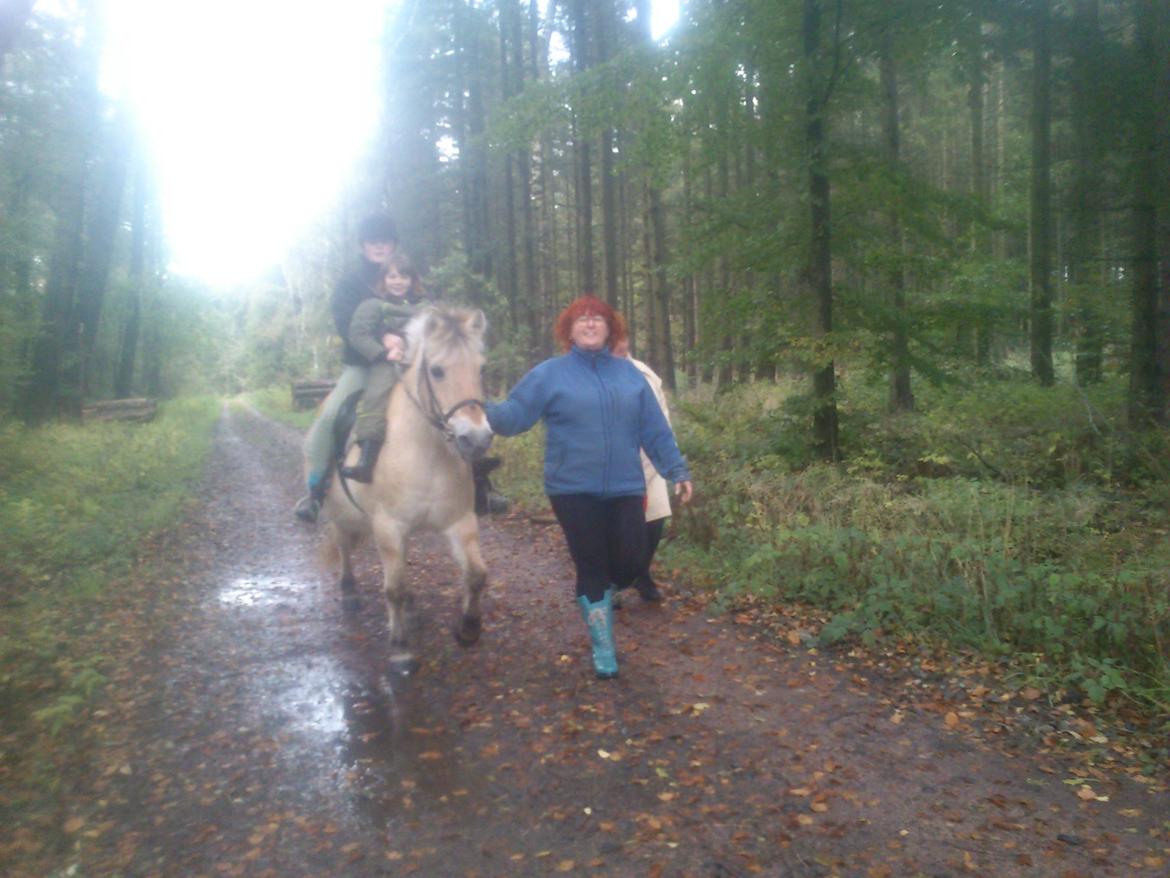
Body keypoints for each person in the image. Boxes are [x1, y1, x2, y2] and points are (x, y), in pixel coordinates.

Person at [484, 296, 694, 680]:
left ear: (609, 328)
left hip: (626, 484)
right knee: (591, 563)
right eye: (582, 320)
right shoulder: (550, 374)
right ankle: (604, 647)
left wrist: (677, 469)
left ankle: (601, 593)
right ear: (569, 331)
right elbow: (515, 415)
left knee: (632, 560)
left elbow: (654, 429)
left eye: (597, 319)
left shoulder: (629, 375)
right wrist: (480, 409)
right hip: (572, 488)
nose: (591, 324)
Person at [295, 212, 399, 522]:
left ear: (394, 244)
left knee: (453, 406)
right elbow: (345, 325)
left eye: (385, 241)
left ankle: (477, 486)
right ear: (363, 246)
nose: (379, 247)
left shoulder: (406, 275)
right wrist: (382, 342)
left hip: (408, 363)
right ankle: (315, 491)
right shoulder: (350, 283)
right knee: (329, 417)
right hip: (363, 367)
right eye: (373, 242)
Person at [338, 253, 426, 483]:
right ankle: (367, 457)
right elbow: (357, 334)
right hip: (388, 363)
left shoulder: (424, 307)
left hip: (420, 363)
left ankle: (476, 471)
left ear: (413, 280)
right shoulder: (371, 306)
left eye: (404, 276)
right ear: (383, 279)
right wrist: (382, 353)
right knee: (376, 395)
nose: (398, 281)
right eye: (392, 276)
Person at [610, 336, 671, 608]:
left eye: (623, 343)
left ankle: (642, 574)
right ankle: (609, 583)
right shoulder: (597, 377)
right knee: (614, 527)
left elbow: (663, 417)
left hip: (650, 458)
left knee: (655, 520)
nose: (621, 348)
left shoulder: (645, 374)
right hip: (613, 464)